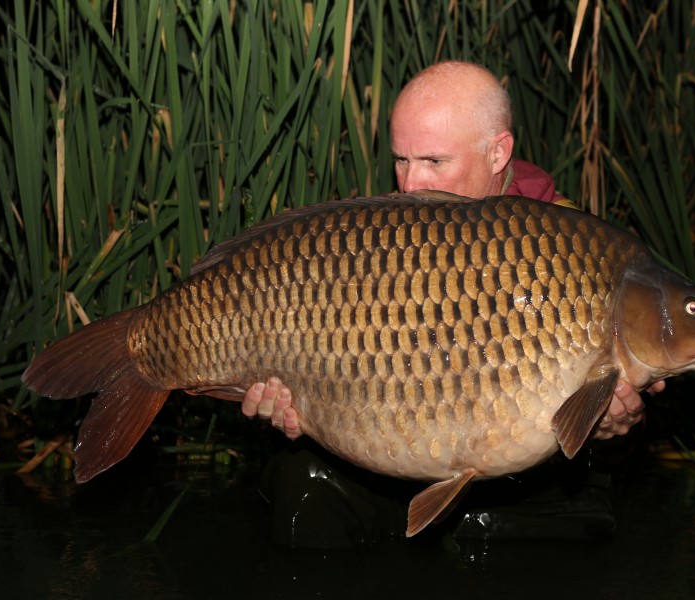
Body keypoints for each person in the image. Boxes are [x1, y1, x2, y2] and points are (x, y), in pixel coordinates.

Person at [243, 61, 662, 545]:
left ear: (497, 152)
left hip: (532, 491)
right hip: (400, 464)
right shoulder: (380, 240)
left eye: (434, 162)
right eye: (401, 160)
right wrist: (297, 408)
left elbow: (622, 437)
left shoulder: (571, 249)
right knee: (303, 481)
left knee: (493, 536)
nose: (410, 184)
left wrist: (612, 431)